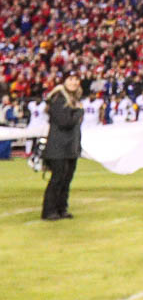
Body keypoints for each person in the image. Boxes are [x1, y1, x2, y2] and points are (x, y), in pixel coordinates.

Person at [41, 73, 84, 220]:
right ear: (64, 81)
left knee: (66, 180)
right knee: (57, 179)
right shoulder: (58, 98)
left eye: (76, 79)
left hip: (70, 147)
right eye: (71, 79)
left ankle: (61, 208)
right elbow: (64, 122)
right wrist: (79, 111)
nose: (74, 82)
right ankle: (49, 210)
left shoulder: (74, 99)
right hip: (58, 147)